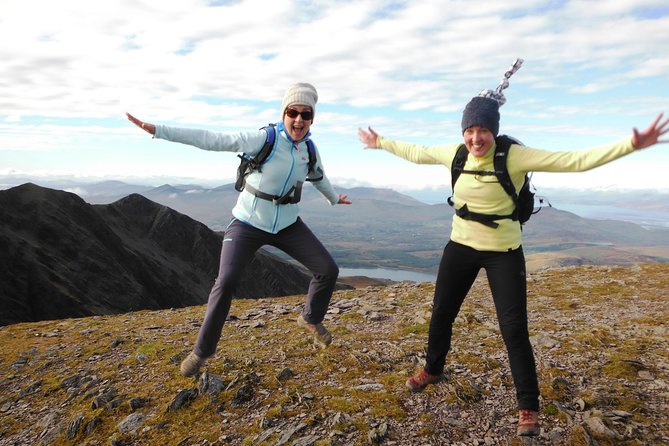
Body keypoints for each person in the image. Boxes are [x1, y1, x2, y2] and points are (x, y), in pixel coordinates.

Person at [358, 59, 668, 437]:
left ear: (494, 131)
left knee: (514, 329)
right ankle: (433, 369)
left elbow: (573, 161)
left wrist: (631, 145)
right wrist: (380, 143)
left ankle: (528, 408)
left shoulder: (515, 156)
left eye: (483, 130)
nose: (475, 139)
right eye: (470, 130)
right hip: (460, 247)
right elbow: (417, 151)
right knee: (441, 313)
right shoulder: (455, 153)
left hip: (503, 252)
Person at [127, 82, 352, 377]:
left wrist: (333, 198)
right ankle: (201, 352)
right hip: (248, 222)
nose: (298, 120)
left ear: (312, 118)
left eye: (305, 114)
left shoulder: (308, 149)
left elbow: (318, 176)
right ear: (284, 113)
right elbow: (212, 139)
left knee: (327, 269)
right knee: (227, 281)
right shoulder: (264, 139)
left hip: (287, 224)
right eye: (293, 112)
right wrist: (159, 130)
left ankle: (310, 318)